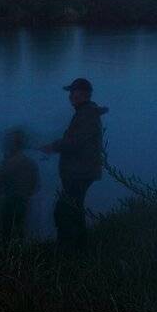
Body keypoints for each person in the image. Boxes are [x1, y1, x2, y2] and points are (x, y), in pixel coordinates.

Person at [39, 77, 107, 251]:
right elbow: (74, 140)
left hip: (80, 173)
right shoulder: (84, 112)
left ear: (85, 94)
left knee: (64, 211)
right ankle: (79, 248)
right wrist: (54, 145)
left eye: (73, 92)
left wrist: (53, 146)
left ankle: (68, 251)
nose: (70, 96)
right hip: (80, 172)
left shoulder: (86, 114)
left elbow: (75, 142)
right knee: (73, 209)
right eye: (70, 93)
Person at [0, 127, 40, 244]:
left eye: (9, 141)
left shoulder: (5, 165)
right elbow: (34, 186)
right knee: (18, 238)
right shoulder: (29, 164)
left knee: (2, 240)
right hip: (21, 206)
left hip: (6, 207)